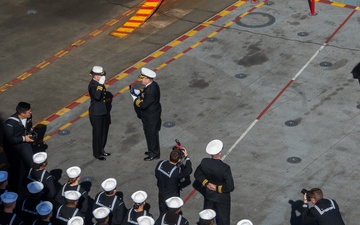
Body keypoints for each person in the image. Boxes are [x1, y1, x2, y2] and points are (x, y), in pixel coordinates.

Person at [194, 139, 234, 225]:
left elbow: (197, 174)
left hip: (209, 195)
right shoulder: (225, 168)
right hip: (221, 198)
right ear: (220, 153)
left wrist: (207, 184)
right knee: (223, 220)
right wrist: (217, 188)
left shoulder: (204, 162)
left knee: (206, 219)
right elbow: (230, 187)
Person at [3, 102, 35, 192]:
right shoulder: (9, 124)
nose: (31, 112)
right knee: (15, 168)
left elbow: (29, 126)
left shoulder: (28, 117)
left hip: (24, 143)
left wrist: (31, 132)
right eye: (29, 111)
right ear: (22, 113)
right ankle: (13, 188)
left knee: (30, 163)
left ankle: (28, 180)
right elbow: (10, 139)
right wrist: (25, 138)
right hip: (13, 148)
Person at [131, 67, 162, 161]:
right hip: (153, 114)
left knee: (151, 135)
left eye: (143, 78)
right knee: (151, 134)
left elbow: (144, 105)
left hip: (150, 116)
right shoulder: (153, 86)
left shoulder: (150, 91)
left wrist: (136, 100)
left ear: (148, 79)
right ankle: (152, 150)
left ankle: (154, 154)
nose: (141, 80)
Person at [155, 148, 192, 215]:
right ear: (179, 160)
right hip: (172, 196)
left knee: (163, 214)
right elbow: (188, 170)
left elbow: (157, 175)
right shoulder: (176, 172)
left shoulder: (160, 163)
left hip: (162, 194)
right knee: (174, 215)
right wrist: (187, 157)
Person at [88, 66, 111, 161]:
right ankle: (97, 154)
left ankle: (101, 150)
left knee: (103, 132)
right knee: (97, 134)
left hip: (102, 111)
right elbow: (97, 97)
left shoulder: (98, 83)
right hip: (96, 113)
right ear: (95, 75)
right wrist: (101, 84)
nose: (101, 77)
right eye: (99, 75)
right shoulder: (92, 85)